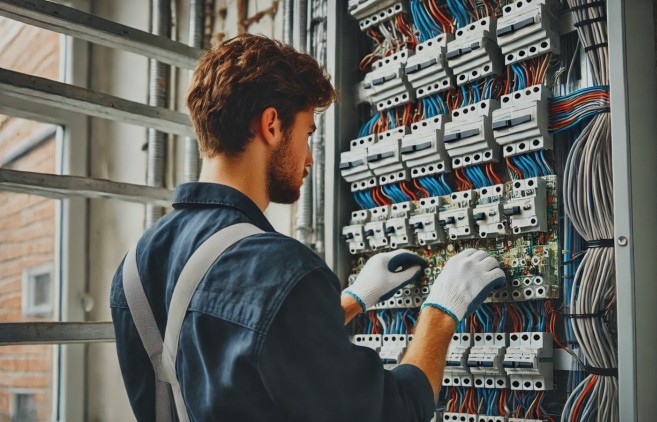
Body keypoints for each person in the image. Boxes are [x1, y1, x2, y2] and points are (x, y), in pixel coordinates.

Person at [110, 34, 505, 422]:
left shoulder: (134, 268)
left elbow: (235, 362)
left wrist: (353, 300)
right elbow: (393, 412)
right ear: (271, 125)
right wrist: (441, 311)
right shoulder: (280, 269)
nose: (309, 159)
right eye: (307, 134)